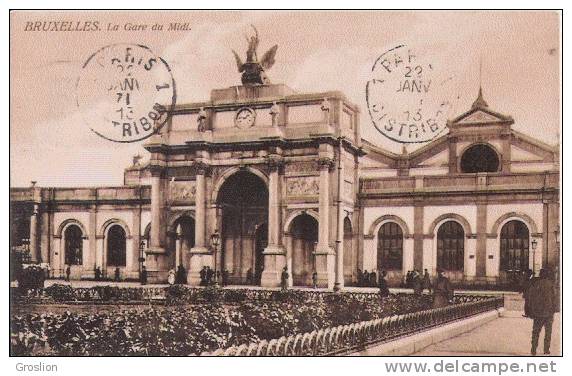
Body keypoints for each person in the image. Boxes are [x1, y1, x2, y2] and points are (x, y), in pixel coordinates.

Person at [527, 268, 556, 355]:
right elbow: (555, 298)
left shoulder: (535, 284)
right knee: (548, 332)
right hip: (549, 313)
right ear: (547, 275)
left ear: (540, 275)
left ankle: (533, 349)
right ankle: (546, 349)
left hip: (538, 313)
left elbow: (530, 298)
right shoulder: (551, 284)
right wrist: (553, 309)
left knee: (535, 332)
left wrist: (531, 310)